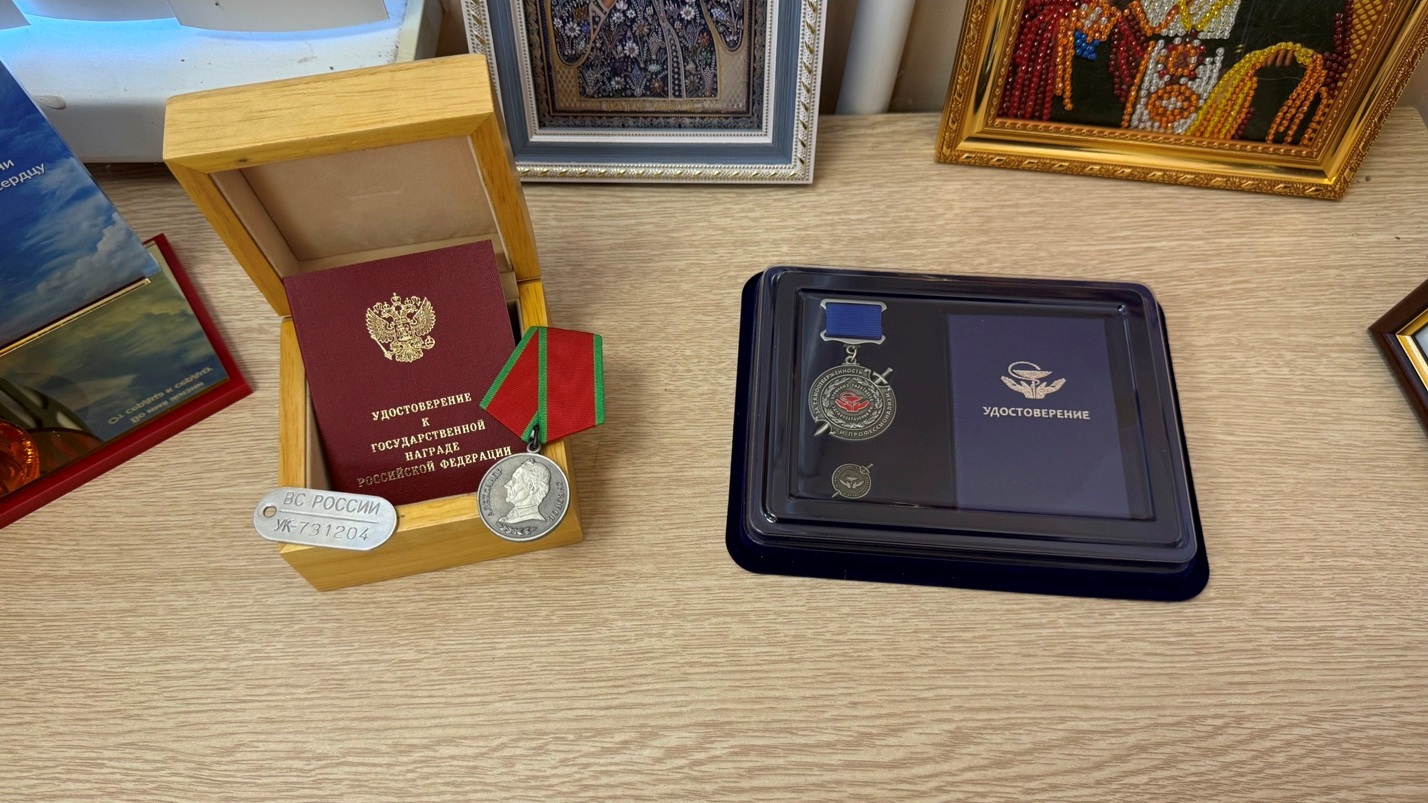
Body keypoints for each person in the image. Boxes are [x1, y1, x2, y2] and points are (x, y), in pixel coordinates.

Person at [500, 459, 551, 525]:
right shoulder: (510, 516)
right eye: (512, 480)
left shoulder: (535, 520)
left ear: (533, 488)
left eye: (516, 481)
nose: (507, 485)